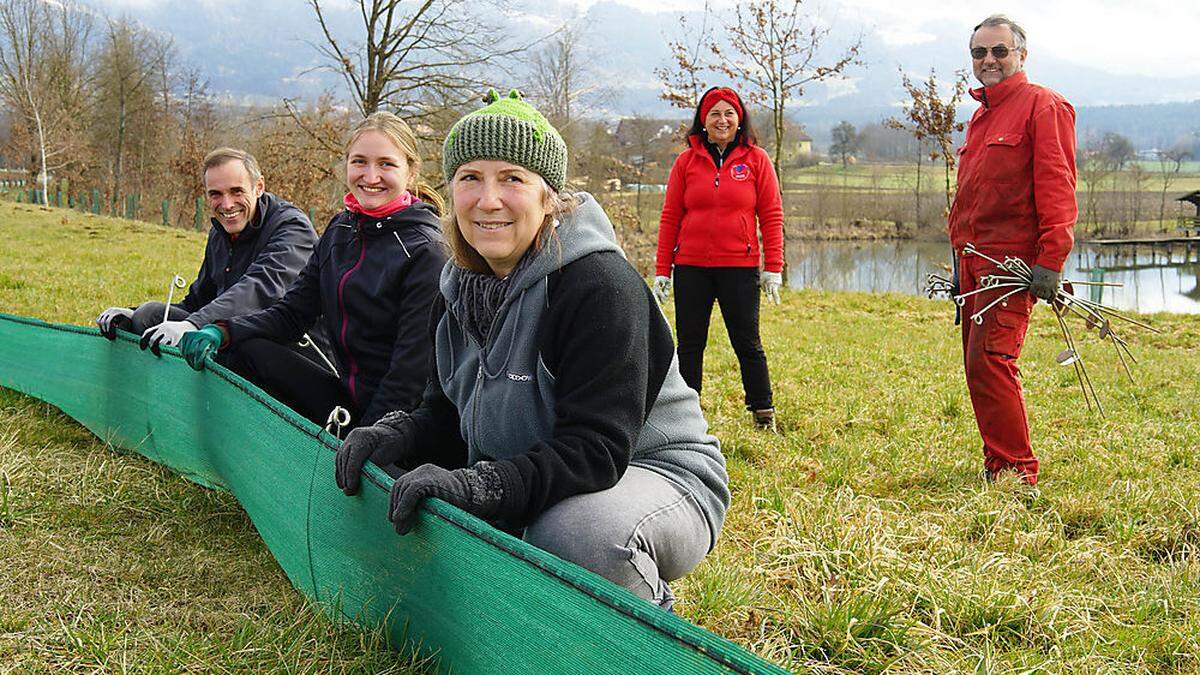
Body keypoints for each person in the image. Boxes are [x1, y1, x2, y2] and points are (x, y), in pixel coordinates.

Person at [333, 90, 729, 610]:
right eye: (470, 178)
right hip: (543, 465)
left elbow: (596, 450)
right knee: (405, 485)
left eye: (512, 179)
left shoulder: (597, 286)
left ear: (550, 197)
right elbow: (447, 412)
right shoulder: (454, 287)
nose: (488, 199)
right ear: (449, 191)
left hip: (654, 472)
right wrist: (396, 435)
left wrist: (481, 487)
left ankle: (648, 637)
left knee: (574, 536)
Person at [180, 112, 447, 428]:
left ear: (411, 172)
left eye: (386, 164)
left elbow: (409, 375)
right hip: (347, 399)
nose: (371, 176)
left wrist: (369, 439)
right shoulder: (340, 230)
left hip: (402, 419)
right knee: (247, 348)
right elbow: (291, 315)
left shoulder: (425, 250)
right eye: (359, 162)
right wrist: (223, 330)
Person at [949, 14, 1076, 485]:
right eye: (980, 53)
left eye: (999, 51)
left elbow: (1057, 187)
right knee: (978, 364)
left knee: (993, 361)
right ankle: (996, 462)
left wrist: (1051, 262)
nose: (989, 60)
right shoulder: (983, 115)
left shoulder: (1043, 106)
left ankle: (1016, 472)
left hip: (1010, 265)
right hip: (973, 262)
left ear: (1022, 54)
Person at [95, 148, 318, 353]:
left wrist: (194, 324)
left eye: (236, 191)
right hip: (227, 329)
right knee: (149, 314)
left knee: (241, 346)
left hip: (290, 345)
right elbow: (198, 301)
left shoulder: (291, 228)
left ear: (258, 187)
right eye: (216, 194)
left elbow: (260, 290)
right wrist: (132, 313)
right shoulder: (221, 233)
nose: (227, 204)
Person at [652, 86, 785, 431]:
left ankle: (763, 410)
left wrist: (773, 268)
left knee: (748, 341)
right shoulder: (686, 162)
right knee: (690, 344)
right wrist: (662, 270)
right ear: (703, 120)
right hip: (691, 268)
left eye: (729, 113)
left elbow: (771, 215)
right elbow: (670, 217)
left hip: (739, 268)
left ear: (739, 119)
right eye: (714, 114)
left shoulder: (757, 161)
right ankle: (685, 416)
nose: (722, 120)